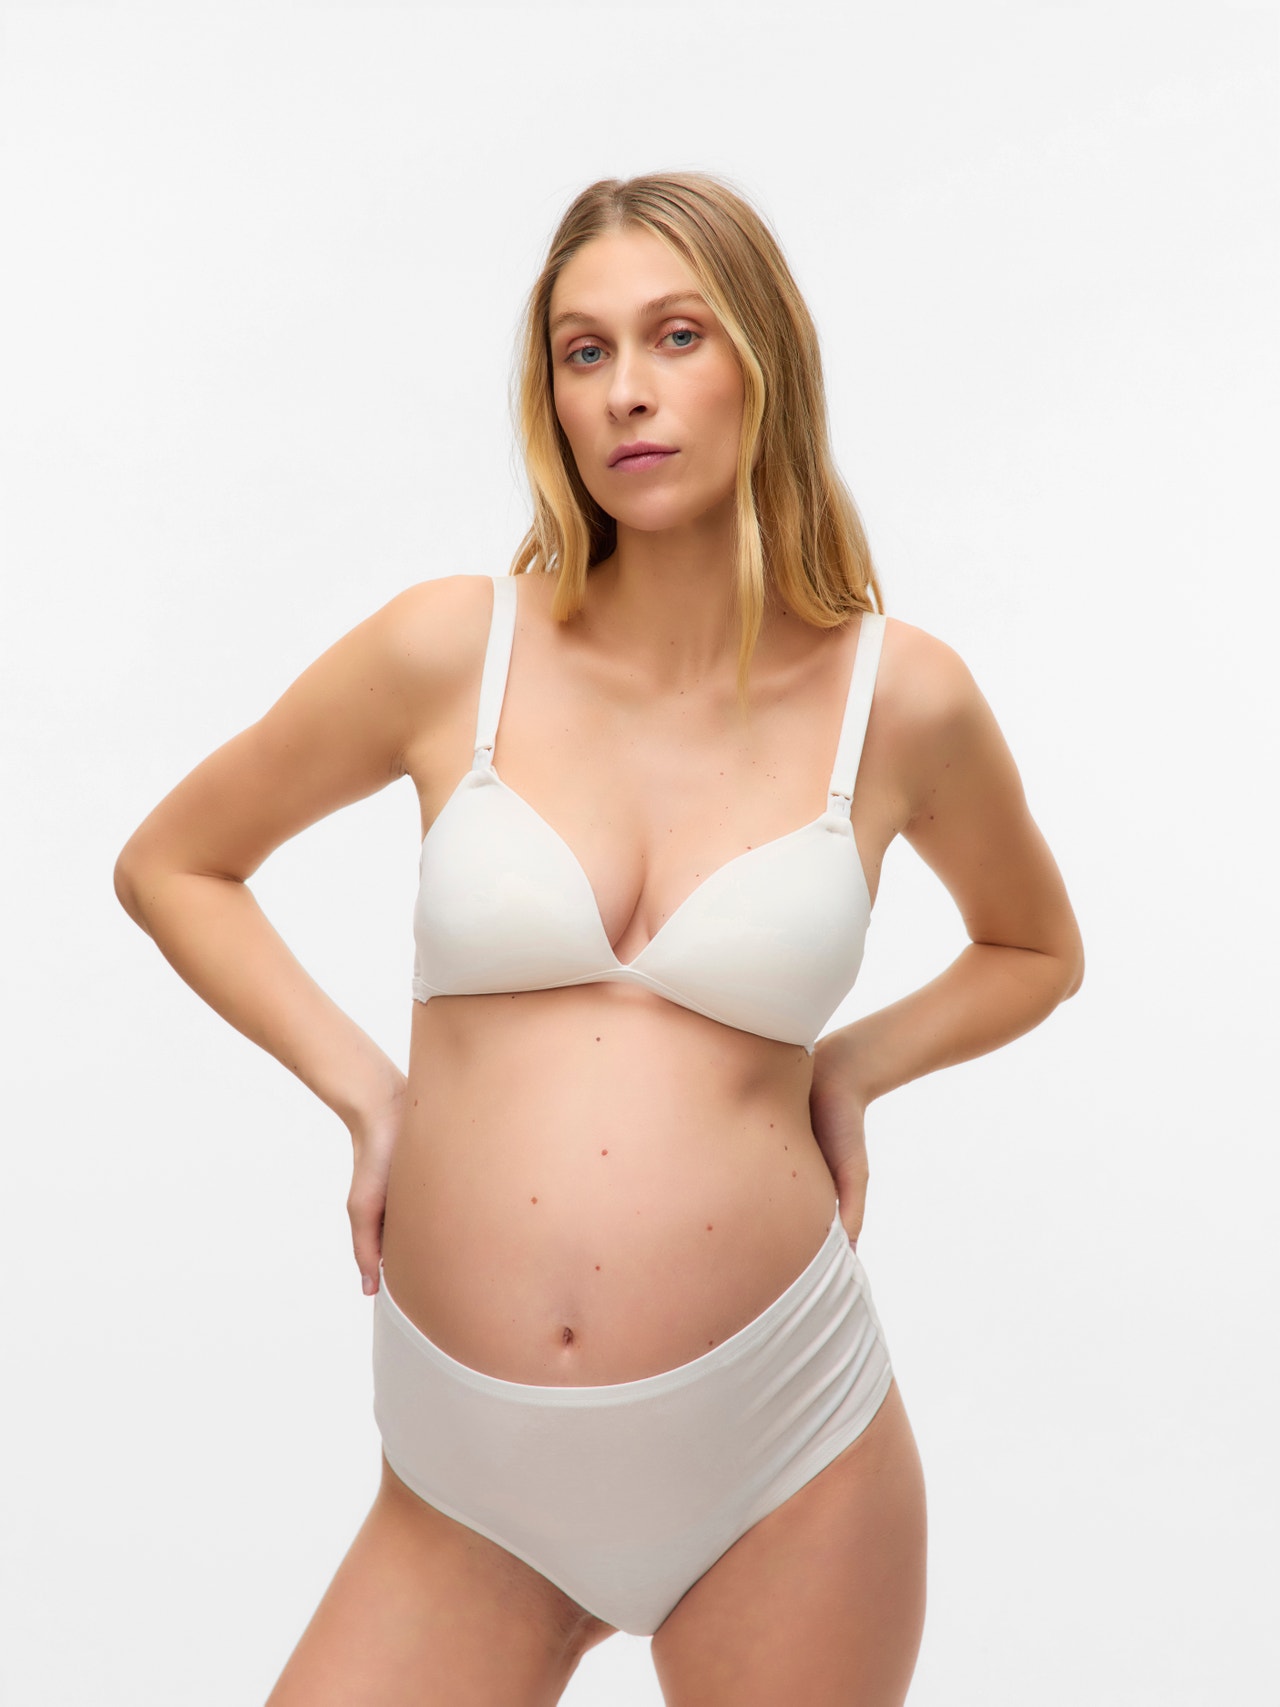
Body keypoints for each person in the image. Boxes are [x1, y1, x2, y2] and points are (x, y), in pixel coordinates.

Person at [114, 171, 1084, 1706]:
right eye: (584, 351)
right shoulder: (453, 650)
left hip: (786, 1454)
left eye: (676, 336)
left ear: (764, 361)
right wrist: (371, 1099)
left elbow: (1034, 949)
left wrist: (849, 1069)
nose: (627, 389)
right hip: (467, 1481)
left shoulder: (900, 700)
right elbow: (176, 862)